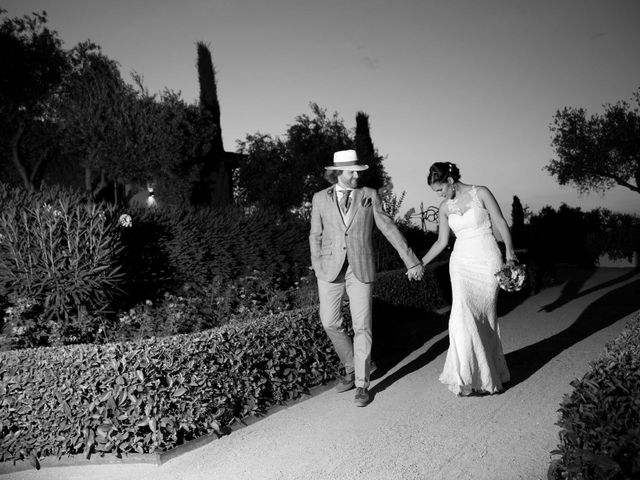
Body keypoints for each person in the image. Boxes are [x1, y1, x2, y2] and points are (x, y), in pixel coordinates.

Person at [309, 149, 424, 407]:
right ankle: (352, 367)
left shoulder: (369, 195)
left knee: (363, 326)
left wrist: (411, 259)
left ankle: (361, 384)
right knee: (329, 322)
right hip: (329, 270)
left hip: (360, 268)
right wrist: (317, 265)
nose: (356, 175)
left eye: (358, 171)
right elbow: (314, 234)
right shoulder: (319, 198)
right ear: (337, 172)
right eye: (352, 171)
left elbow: (388, 228)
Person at [420, 162, 514, 396]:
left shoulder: (481, 192)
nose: (440, 195)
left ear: (450, 181)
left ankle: (488, 372)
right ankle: (464, 376)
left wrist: (510, 253)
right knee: (461, 316)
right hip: (461, 263)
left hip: (486, 259)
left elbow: (500, 223)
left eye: (440, 189)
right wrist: (419, 263)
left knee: (485, 317)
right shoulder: (444, 207)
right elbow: (441, 242)